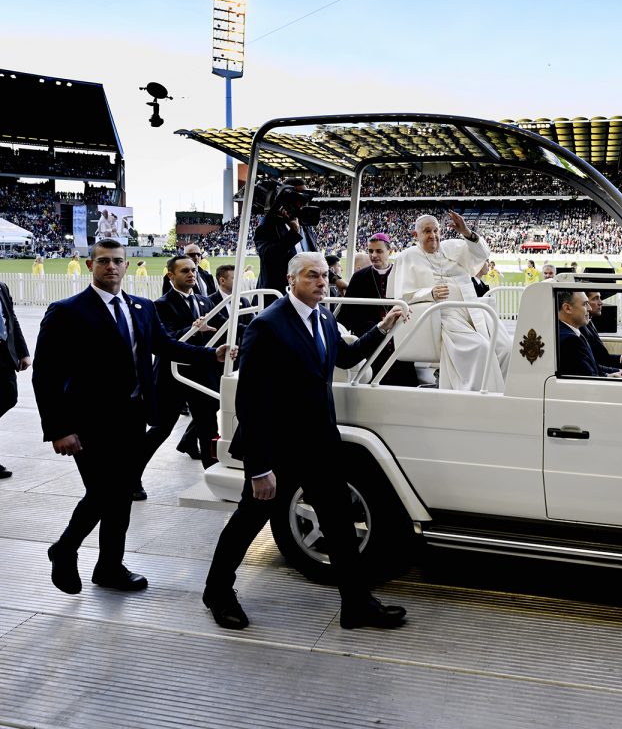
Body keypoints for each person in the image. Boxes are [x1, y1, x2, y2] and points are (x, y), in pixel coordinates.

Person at [203, 252, 409, 631]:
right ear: (291, 279)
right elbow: (249, 402)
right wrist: (260, 468)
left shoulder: (324, 317)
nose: (322, 282)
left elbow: (343, 356)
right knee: (248, 523)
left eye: (325, 276)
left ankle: (356, 604)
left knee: (340, 524)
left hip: (321, 445)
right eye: (313, 276)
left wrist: (383, 327)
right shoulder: (267, 326)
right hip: (277, 450)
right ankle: (217, 592)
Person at [33, 239, 232, 596]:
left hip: (131, 418)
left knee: (120, 493)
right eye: (104, 261)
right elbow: (45, 375)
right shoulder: (67, 311)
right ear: (91, 266)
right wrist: (60, 429)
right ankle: (65, 548)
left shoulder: (140, 307)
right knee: (104, 491)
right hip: (88, 423)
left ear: (127, 267)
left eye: (118, 261)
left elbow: (166, 345)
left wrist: (210, 355)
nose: (111, 267)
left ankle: (109, 566)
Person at [396, 212, 509, 391]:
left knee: (506, 348)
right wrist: (429, 293)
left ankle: (503, 395)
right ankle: (479, 400)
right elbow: (403, 296)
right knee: (481, 349)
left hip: (473, 307)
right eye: (427, 231)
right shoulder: (408, 257)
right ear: (415, 235)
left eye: (436, 230)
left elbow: (482, 254)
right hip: (445, 314)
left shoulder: (453, 247)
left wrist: (466, 232)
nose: (433, 236)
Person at [141, 255, 222, 482]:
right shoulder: (160, 305)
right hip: (173, 376)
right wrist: (194, 329)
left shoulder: (206, 302)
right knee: (161, 430)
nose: (191, 274)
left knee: (208, 428)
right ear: (171, 275)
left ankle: (213, 477)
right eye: (184, 270)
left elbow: (223, 325)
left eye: (193, 270)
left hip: (202, 376)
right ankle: (131, 477)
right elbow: (164, 340)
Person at [340, 233, 417, 387]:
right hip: (371, 337)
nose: (374, 255)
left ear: (390, 251)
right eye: (370, 251)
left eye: (379, 251)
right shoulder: (359, 277)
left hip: (398, 337)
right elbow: (347, 314)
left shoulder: (402, 275)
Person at [254, 180, 320, 301]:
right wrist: (292, 235)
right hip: (276, 299)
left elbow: (315, 259)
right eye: (299, 199)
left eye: (305, 200)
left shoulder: (305, 225)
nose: (302, 204)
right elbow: (268, 256)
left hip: (303, 297)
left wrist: (336, 279)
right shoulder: (268, 226)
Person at [556, 291, 622, 378]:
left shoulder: (573, 333)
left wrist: (612, 374)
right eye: (585, 304)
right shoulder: (570, 340)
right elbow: (590, 381)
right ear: (567, 308)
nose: (589, 308)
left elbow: (594, 368)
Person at [0, 279, 32, 479]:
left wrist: (23, 352)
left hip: (3, 354)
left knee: (8, 397)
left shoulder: (1, 287)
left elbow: (11, 318)